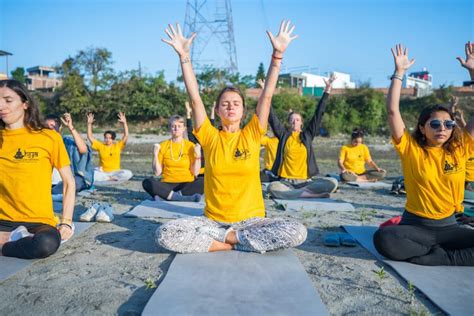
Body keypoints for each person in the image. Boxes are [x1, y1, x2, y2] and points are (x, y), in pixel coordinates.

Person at [156, 21, 306, 253]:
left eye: (236, 104)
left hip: (252, 222)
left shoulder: (253, 133)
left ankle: (231, 240)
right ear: (217, 111)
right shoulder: (209, 136)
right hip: (213, 224)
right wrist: (184, 56)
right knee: (165, 234)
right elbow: (195, 98)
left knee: (297, 231)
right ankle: (232, 244)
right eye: (225, 104)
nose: (230, 107)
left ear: (244, 111)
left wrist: (277, 56)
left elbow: (266, 98)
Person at [373, 43, 474, 266]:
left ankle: (444, 257)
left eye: (448, 124)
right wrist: (399, 73)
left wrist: (473, 72)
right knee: (383, 238)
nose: (442, 129)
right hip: (416, 227)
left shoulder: (461, 148)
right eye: (435, 124)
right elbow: (392, 111)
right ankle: (436, 252)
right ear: (422, 127)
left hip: (449, 227)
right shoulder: (411, 149)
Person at [0, 80, 75, 259]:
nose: (1, 105)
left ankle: (6, 243)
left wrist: (66, 222)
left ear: (25, 103)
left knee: (46, 244)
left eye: (8, 100)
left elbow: (68, 182)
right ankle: (15, 238)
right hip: (3, 219)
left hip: (39, 220)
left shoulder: (48, 137)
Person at [266, 74, 338, 199]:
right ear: (289, 122)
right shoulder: (284, 135)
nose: (295, 122)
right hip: (286, 182)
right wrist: (265, 94)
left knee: (333, 183)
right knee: (272, 187)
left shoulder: (307, 135)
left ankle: (301, 193)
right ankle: (309, 195)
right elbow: (271, 117)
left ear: (301, 122)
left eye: (297, 120)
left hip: (305, 182)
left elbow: (318, 115)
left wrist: (327, 91)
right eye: (292, 120)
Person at [142, 115, 203, 202]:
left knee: (203, 181)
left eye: (179, 126)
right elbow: (157, 172)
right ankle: (181, 198)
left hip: (186, 184)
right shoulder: (162, 146)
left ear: (184, 128)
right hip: (167, 184)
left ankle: (167, 196)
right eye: (173, 126)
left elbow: (195, 172)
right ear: (169, 128)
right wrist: (155, 154)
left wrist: (198, 155)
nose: (176, 129)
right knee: (147, 182)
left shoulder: (191, 146)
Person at [45, 113, 94, 193]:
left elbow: (83, 150)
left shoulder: (66, 142)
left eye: (53, 126)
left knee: (74, 183)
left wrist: (71, 127)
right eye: (46, 127)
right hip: (48, 181)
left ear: (60, 128)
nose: (50, 129)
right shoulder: (40, 143)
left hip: (69, 179)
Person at [87, 112, 133, 183]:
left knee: (128, 173)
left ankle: (110, 178)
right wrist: (89, 124)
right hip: (103, 172)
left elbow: (126, 136)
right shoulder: (101, 146)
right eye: (106, 138)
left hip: (115, 172)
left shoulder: (117, 146)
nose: (107, 140)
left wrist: (124, 123)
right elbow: (90, 137)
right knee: (92, 173)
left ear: (113, 139)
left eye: (110, 138)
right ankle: (108, 178)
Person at [449, 96, 474, 200]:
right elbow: (465, 130)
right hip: (466, 182)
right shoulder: (466, 141)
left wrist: (452, 108)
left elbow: (466, 130)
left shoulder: (467, 141)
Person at [185, 100, 216, 176]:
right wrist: (188, 112)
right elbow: (189, 128)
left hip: (208, 171)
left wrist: (213, 110)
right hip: (197, 172)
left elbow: (212, 125)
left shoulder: (207, 139)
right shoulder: (194, 142)